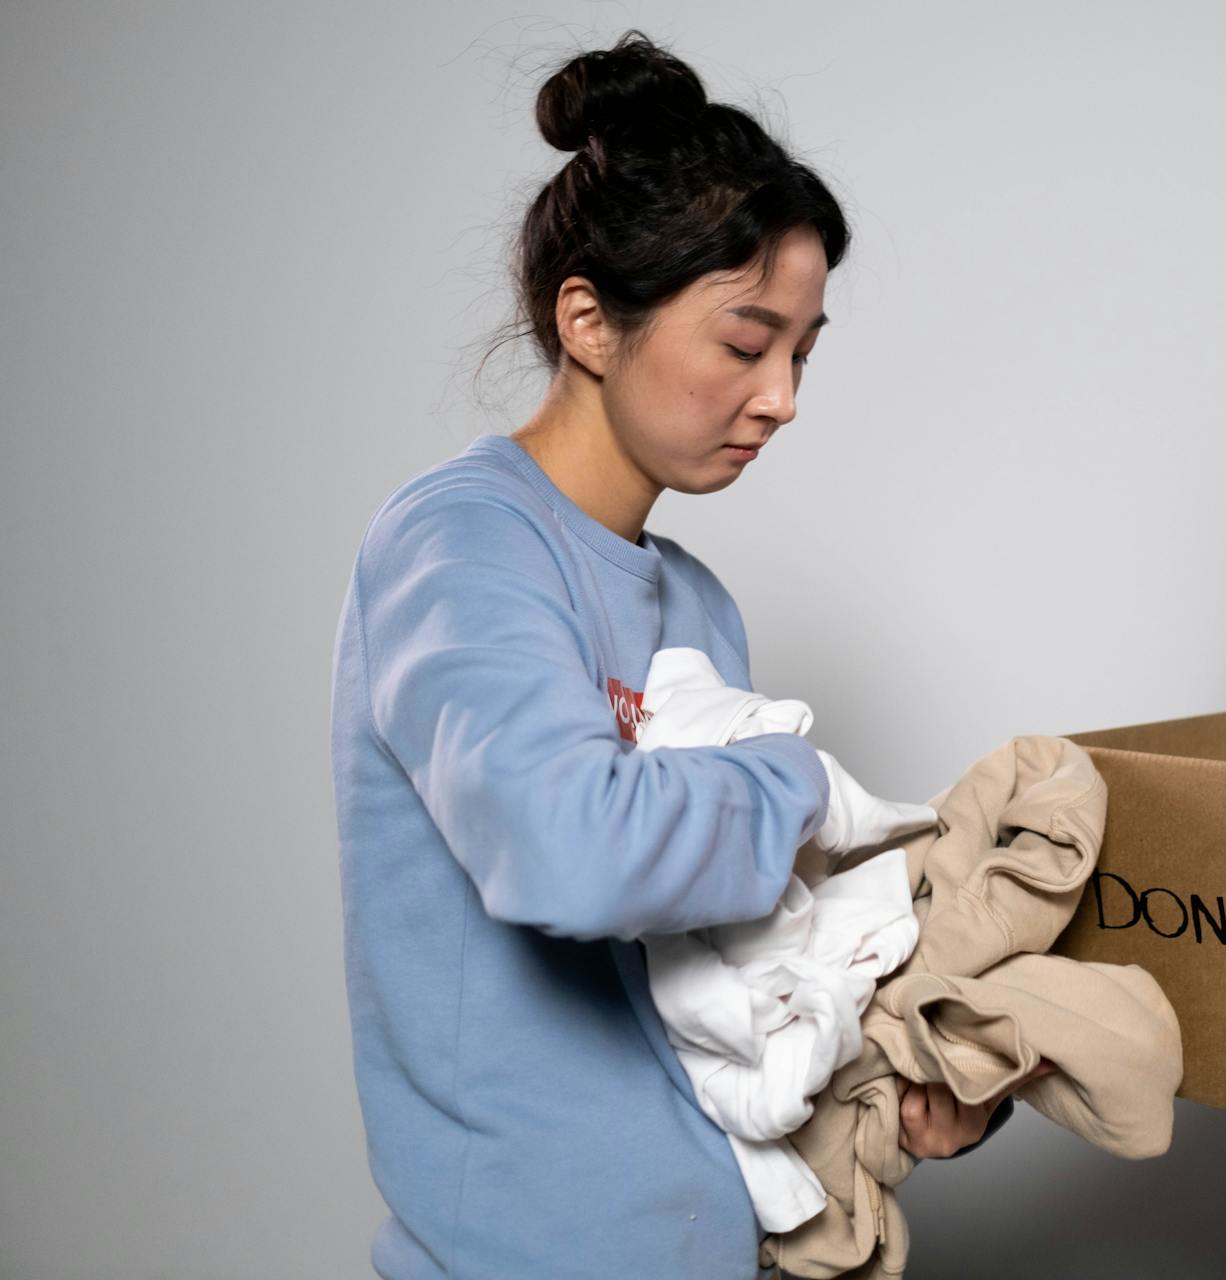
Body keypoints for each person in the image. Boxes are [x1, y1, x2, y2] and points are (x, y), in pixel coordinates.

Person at [330, 33, 1002, 1279]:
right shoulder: (459, 542)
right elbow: (569, 847)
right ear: (587, 319)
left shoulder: (696, 603)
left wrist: (907, 1064)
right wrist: (806, 789)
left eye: (804, 351)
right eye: (747, 345)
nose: (785, 396)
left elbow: (734, 975)